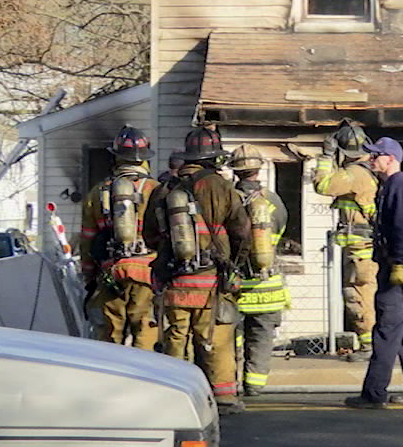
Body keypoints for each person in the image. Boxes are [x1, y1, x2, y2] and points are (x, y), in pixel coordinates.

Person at [144, 125, 251, 415]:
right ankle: (224, 399)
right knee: (215, 339)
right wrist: (235, 265)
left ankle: (173, 396)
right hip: (212, 281)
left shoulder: (165, 189)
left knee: (176, 338)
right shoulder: (221, 187)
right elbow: (242, 230)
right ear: (213, 157)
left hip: (175, 281)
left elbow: (149, 235)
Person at [345, 137, 403, 409]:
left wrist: (399, 265)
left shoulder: (400, 186)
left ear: (391, 158)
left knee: (384, 330)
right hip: (396, 265)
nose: (371, 160)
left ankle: (373, 394)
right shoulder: (392, 185)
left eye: (376, 156)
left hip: (398, 269)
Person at [80, 125, 162, 350]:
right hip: (147, 274)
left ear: (116, 157)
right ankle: (145, 381)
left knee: (109, 337)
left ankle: (109, 382)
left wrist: (89, 275)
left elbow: (87, 239)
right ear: (144, 158)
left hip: (110, 274)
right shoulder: (157, 190)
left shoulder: (98, 192)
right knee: (145, 333)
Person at [312, 119, 379, 359]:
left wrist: (325, 156)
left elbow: (323, 185)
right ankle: (369, 345)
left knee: (358, 296)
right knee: (362, 294)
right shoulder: (365, 171)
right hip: (360, 247)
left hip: (360, 249)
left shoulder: (354, 174)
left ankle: (370, 346)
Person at [229, 145, 290, 397]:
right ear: (258, 169)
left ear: (235, 170)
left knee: (233, 336)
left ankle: (229, 382)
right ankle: (254, 385)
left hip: (236, 282)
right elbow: (282, 228)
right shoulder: (273, 200)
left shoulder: (228, 198)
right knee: (262, 337)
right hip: (268, 284)